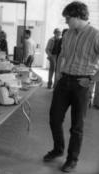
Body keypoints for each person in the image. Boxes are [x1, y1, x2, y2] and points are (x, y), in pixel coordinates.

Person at [43, 1, 99, 173]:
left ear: (78, 16)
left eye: (67, 18)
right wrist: (59, 73)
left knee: (77, 125)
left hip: (82, 84)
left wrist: (92, 80)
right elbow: (63, 56)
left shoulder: (95, 35)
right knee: (54, 118)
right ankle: (58, 149)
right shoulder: (67, 35)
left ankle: (72, 159)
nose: (65, 21)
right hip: (64, 81)